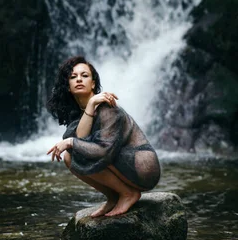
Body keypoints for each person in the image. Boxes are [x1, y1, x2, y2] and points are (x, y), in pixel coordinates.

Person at [46, 56, 161, 217]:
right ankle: (114, 196)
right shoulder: (79, 110)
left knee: (78, 150)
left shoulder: (108, 108)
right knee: (69, 157)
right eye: (73, 77)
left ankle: (128, 194)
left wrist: (71, 142)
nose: (79, 79)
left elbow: (103, 151)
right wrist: (91, 105)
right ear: (68, 87)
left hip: (143, 165)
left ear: (93, 83)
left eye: (84, 75)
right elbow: (81, 139)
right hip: (123, 161)